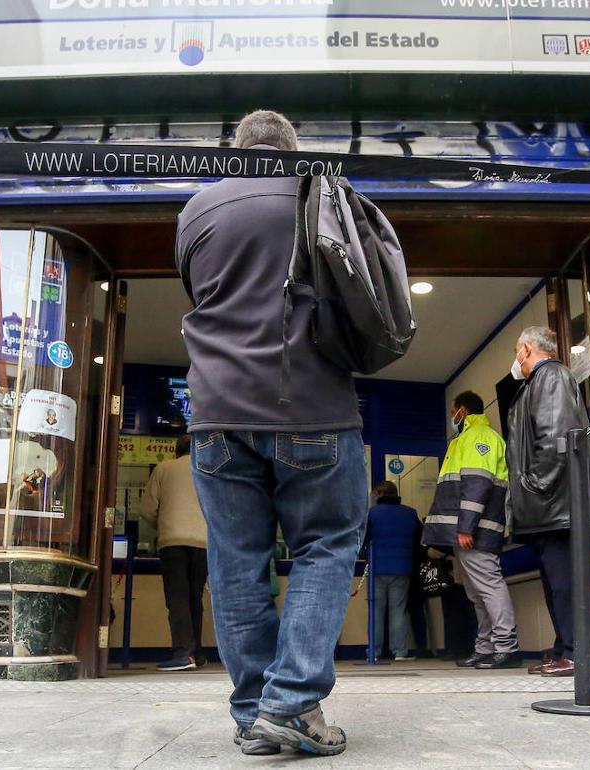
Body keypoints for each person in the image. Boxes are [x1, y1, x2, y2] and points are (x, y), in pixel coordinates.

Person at [176, 110, 373, 756]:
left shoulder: (197, 212)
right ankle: (288, 705)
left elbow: (201, 291)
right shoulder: (318, 192)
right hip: (312, 405)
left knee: (236, 564)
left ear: (238, 151)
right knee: (324, 544)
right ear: (293, 150)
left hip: (216, 413)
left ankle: (254, 713)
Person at [506, 326, 590, 677]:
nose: (516, 359)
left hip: (557, 505)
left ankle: (577, 653)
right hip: (552, 506)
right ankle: (565, 649)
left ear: (526, 349)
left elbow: (555, 439)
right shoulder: (538, 382)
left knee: (565, 583)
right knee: (557, 583)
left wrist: (533, 487)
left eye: (517, 351)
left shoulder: (550, 377)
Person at [423, 391, 521, 669]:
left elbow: (478, 484)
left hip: (476, 530)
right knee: (477, 592)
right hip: (468, 531)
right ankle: (486, 647)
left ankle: (507, 647)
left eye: (453, 411)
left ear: (462, 411)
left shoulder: (480, 437)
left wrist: (466, 526)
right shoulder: (466, 438)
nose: (451, 417)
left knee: (488, 586)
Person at [138, 435, 208, 672]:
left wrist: (164, 523)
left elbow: (147, 509)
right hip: (203, 543)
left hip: (173, 542)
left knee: (177, 598)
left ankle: (183, 653)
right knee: (194, 598)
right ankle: (197, 652)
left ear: (175, 450)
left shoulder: (163, 469)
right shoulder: (207, 469)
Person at [363, 481, 422, 661]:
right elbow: (420, 538)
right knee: (398, 610)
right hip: (402, 568)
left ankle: (374, 652)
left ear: (379, 494)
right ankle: (400, 652)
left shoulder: (372, 513)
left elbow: (362, 538)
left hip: (377, 568)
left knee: (376, 611)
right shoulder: (410, 513)